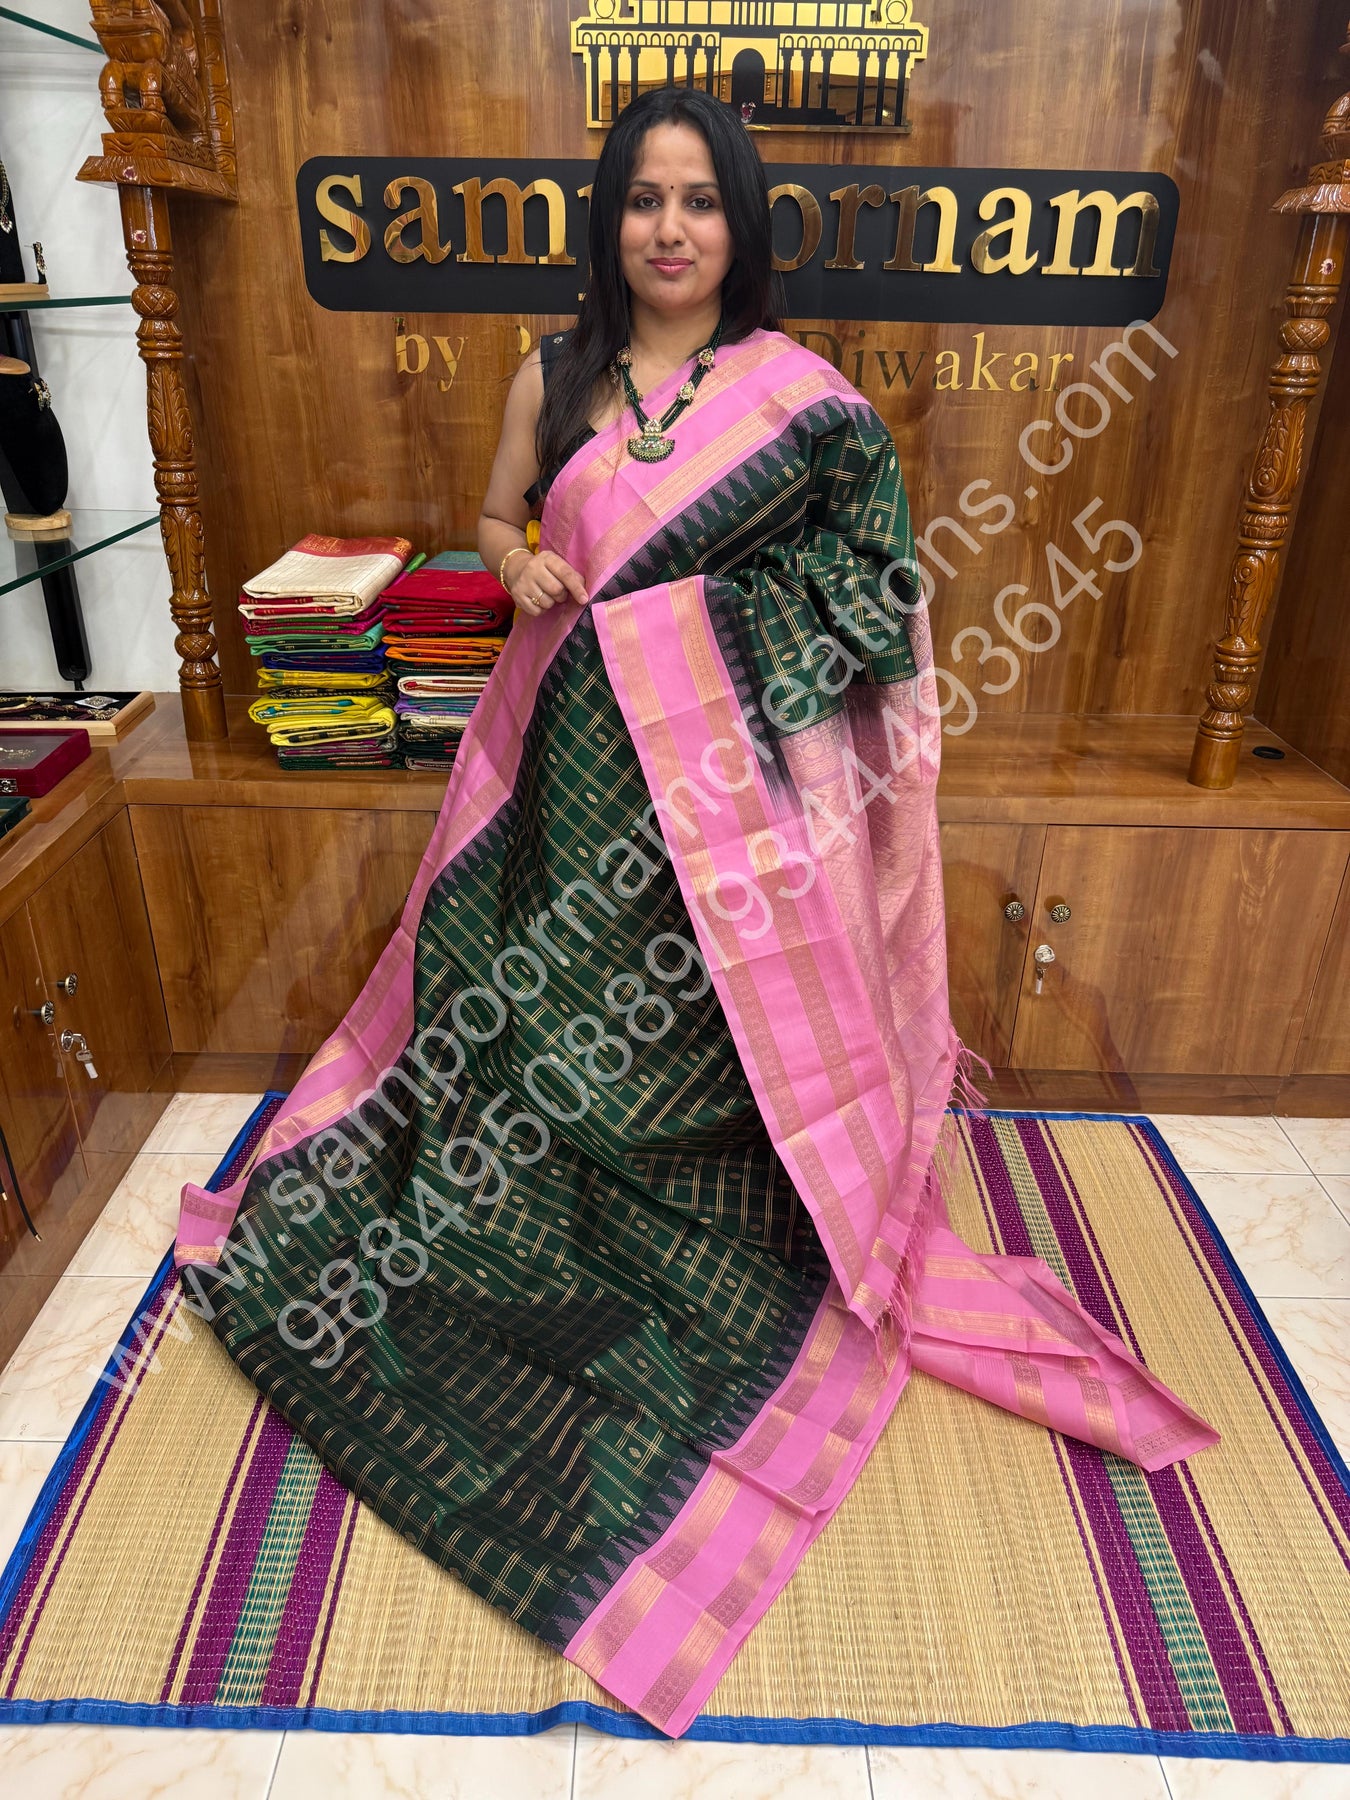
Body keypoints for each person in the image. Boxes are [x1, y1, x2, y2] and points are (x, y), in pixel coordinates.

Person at [175, 86, 1217, 1739]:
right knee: (531, 1018)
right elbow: (496, 515)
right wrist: (512, 562)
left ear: (740, 222)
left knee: (703, 1046)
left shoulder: (804, 407)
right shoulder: (553, 374)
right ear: (610, 220)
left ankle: (727, 1230)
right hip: (564, 778)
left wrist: (701, 629)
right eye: (643, 199)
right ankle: (531, 1208)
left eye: (700, 200)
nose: (669, 228)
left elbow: (877, 590)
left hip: (729, 813)